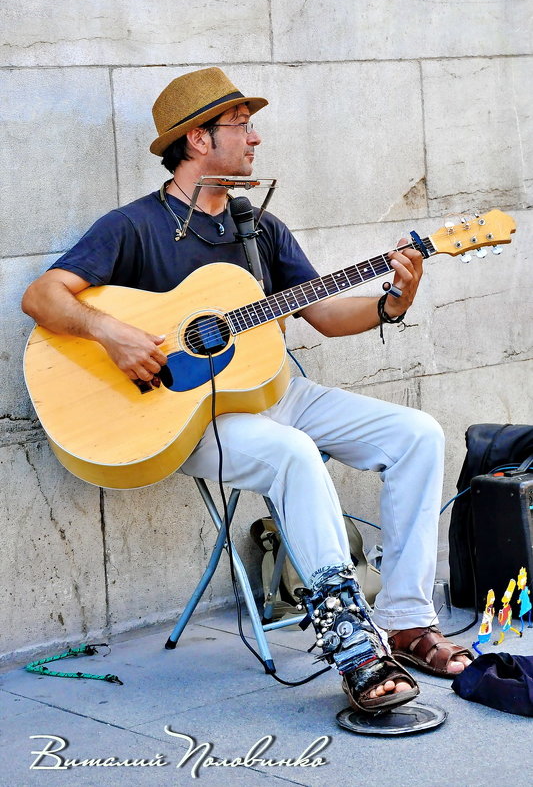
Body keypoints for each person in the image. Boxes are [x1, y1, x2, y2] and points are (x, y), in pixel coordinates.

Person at [21, 67, 472, 713]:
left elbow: (321, 312)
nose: (255, 139)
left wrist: (393, 300)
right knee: (289, 452)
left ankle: (404, 619)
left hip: (272, 393)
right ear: (198, 140)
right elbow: (43, 297)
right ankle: (353, 648)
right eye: (242, 125)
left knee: (416, 434)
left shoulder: (257, 228)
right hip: (188, 421)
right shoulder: (133, 226)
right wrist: (112, 333)